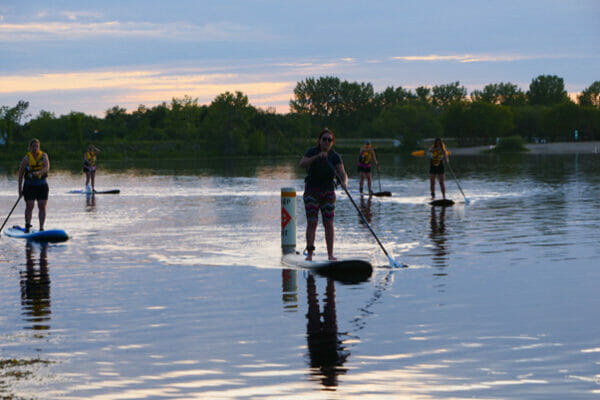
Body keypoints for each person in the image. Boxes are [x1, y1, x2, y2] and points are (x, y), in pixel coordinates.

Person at [299, 128, 348, 261]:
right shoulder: (312, 151)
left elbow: (343, 173)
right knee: (312, 223)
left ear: (332, 142)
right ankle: (309, 254)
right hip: (311, 192)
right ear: (319, 141)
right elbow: (302, 164)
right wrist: (316, 157)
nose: (326, 142)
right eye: (324, 139)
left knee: (329, 223)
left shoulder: (335, 156)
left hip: (328, 192)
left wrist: (344, 182)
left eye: (329, 140)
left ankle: (330, 255)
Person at [18, 139, 50, 233]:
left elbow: (46, 167)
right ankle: (27, 226)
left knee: (42, 206)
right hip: (29, 186)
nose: (35, 148)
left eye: (37, 146)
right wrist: (20, 190)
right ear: (30, 147)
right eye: (33, 146)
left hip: (42, 185)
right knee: (30, 205)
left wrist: (39, 172)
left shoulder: (44, 156)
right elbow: (20, 175)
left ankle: (41, 228)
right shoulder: (26, 159)